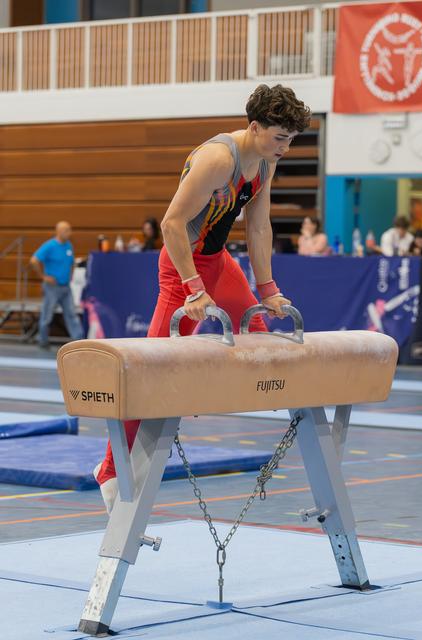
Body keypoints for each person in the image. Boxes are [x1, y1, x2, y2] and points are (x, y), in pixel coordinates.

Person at [94, 83, 312, 512]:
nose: (285, 148)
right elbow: (172, 224)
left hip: (218, 262)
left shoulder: (264, 163)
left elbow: (258, 228)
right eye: (280, 138)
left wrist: (267, 289)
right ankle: (109, 469)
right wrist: (194, 288)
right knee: (149, 372)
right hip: (182, 269)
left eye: (291, 140)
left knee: (261, 335)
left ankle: (201, 396)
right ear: (254, 126)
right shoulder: (217, 160)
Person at [30, 221, 84, 349]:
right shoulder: (49, 246)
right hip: (52, 287)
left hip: (65, 286)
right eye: (66, 230)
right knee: (47, 315)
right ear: (58, 231)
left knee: (71, 314)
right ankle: (43, 340)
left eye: (70, 230)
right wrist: (43, 277)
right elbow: (33, 261)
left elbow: (71, 263)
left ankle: (79, 341)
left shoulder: (69, 246)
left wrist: (70, 276)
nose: (69, 233)